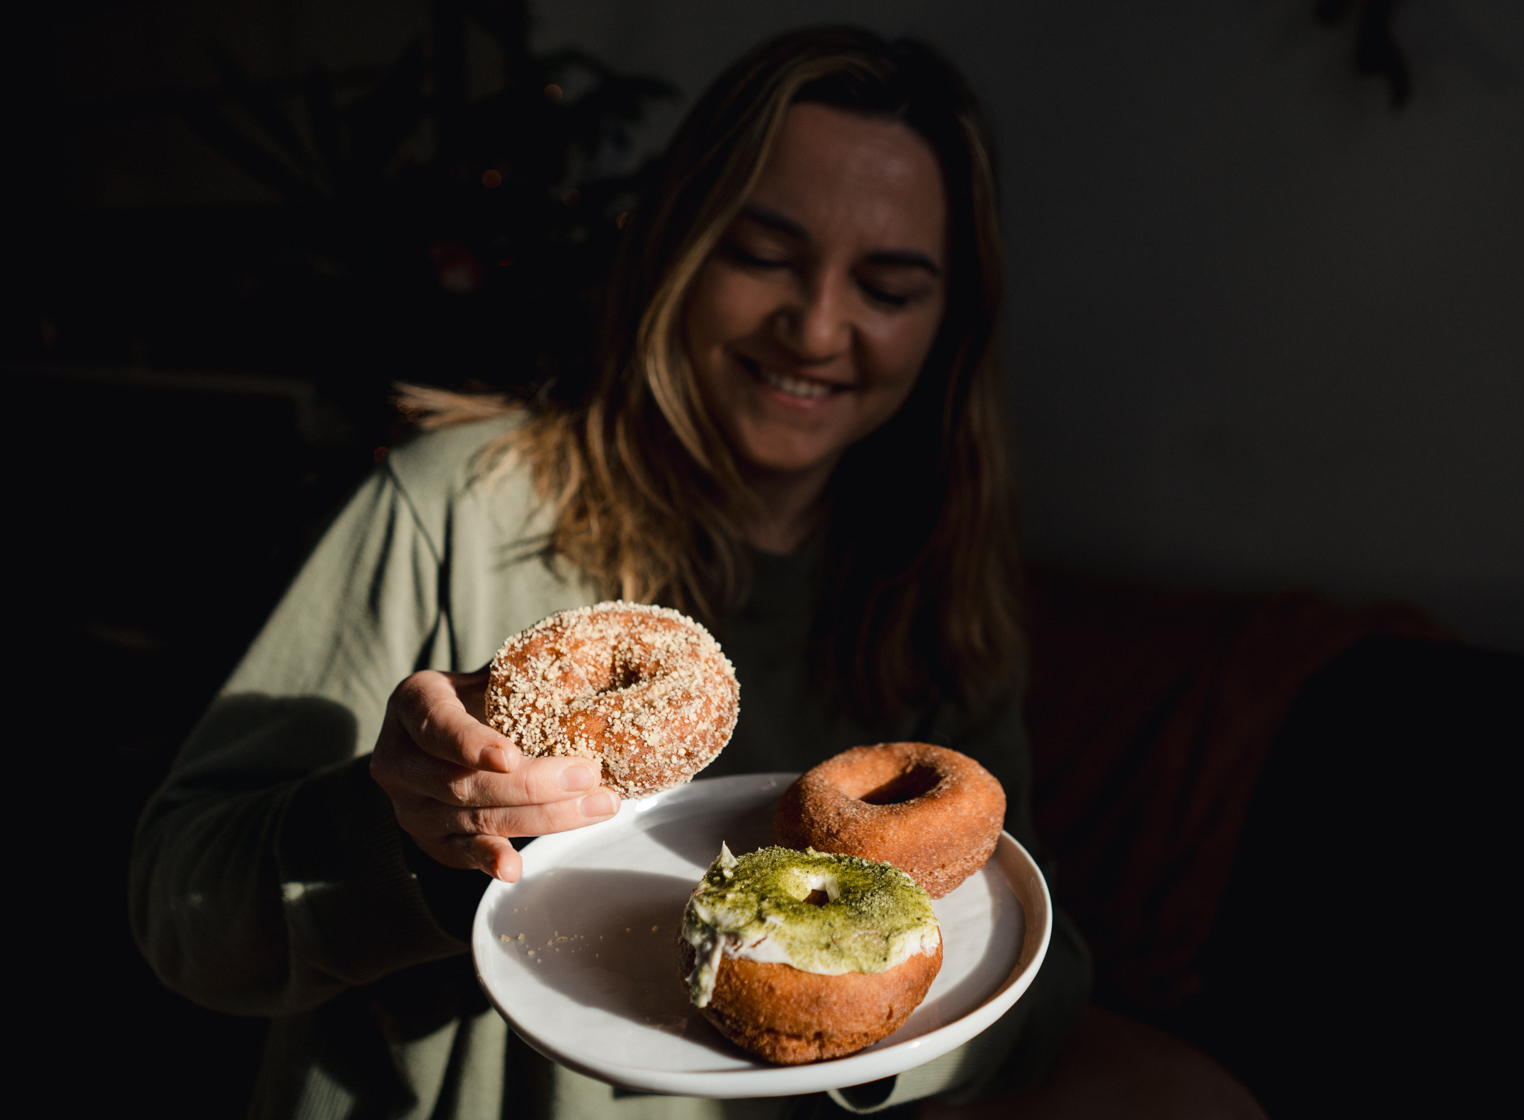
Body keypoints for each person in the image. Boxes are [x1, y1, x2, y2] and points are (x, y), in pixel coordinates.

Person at [131, 26, 1260, 1119]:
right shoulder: (456, 509)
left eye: (889, 286)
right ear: (679, 243)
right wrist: (404, 839)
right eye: (764, 254)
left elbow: (1029, 945)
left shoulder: (933, 587)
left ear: (947, 325)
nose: (817, 326)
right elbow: (181, 911)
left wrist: (866, 1040)